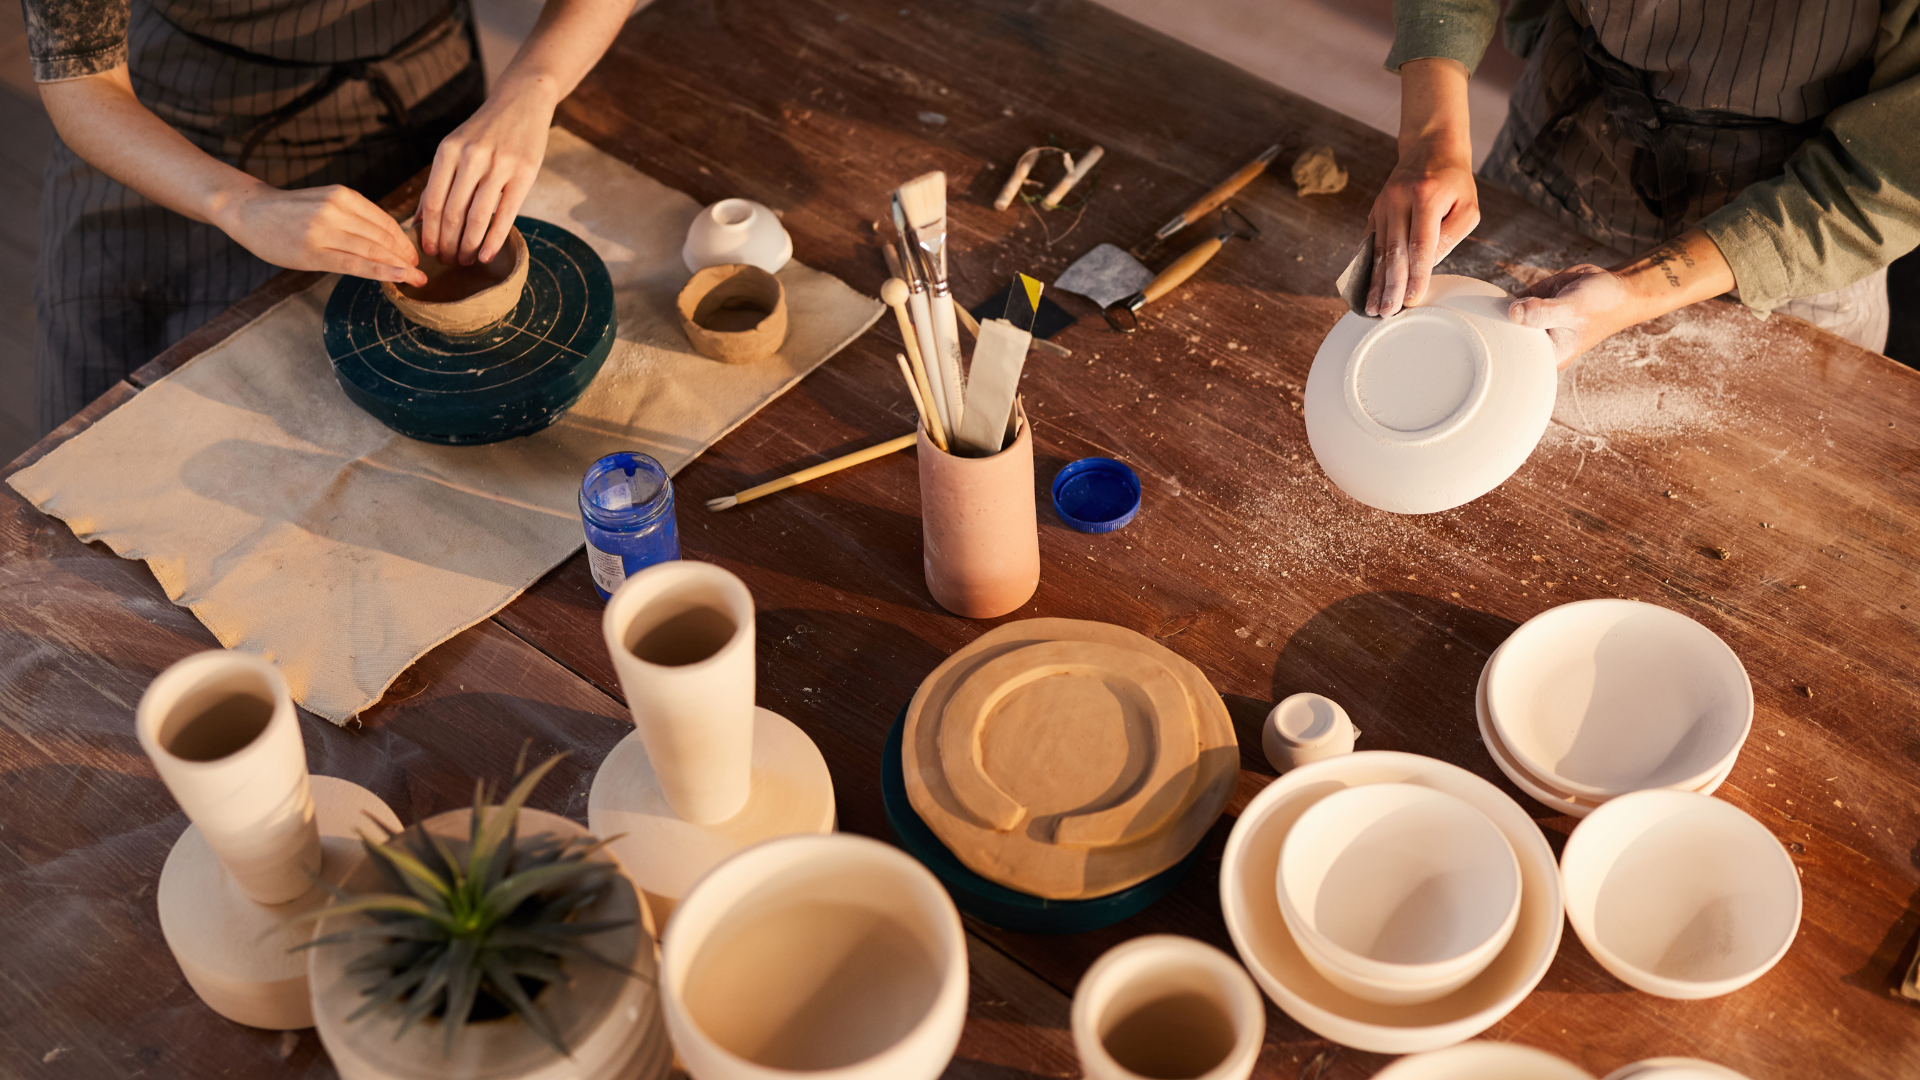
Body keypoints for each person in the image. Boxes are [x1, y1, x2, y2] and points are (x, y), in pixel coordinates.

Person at [23, 0, 633, 432]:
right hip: (180, 129)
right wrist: (238, 203)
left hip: (417, 84)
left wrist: (532, 88)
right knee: (110, 439)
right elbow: (82, 85)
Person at [1364, 0, 1920, 366]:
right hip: (1565, 136)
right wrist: (1431, 138)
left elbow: (1882, 182)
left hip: (1796, 232)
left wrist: (1634, 290)